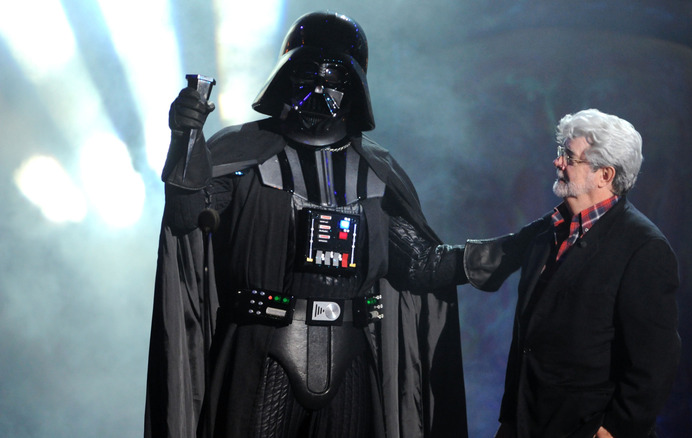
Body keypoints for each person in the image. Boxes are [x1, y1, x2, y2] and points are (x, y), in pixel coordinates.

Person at [144, 11, 468, 438]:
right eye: (306, 75)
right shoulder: (245, 155)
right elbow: (186, 216)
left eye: (333, 79)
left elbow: (423, 264)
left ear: (353, 88)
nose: (319, 91)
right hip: (260, 349)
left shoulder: (375, 172)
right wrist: (185, 137)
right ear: (283, 77)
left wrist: (515, 246)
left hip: (350, 353)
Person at [463, 109, 680, 438]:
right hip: (525, 424)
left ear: (604, 175)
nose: (557, 162)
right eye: (560, 153)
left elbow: (654, 360)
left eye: (569, 156)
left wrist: (613, 429)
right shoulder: (548, 231)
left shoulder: (643, 247)